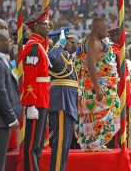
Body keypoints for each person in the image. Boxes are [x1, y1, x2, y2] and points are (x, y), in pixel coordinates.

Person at [74, 18, 120, 151]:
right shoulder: (93, 42)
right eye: (105, 28)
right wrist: (98, 88)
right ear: (96, 28)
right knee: (97, 115)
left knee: (94, 116)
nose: (107, 31)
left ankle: (93, 144)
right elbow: (92, 67)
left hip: (100, 86)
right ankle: (94, 144)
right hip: (95, 88)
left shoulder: (98, 40)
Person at [19, 10, 51, 171]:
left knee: (37, 144)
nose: (49, 28)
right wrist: (30, 103)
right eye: (46, 25)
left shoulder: (39, 45)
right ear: (37, 27)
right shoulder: (33, 47)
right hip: (36, 98)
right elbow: (30, 76)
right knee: (32, 144)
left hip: (42, 97)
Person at [47, 27, 78, 171]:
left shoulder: (67, 57)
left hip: (68, 101)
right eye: (69, 40)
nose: (72, 43)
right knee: (60, 143)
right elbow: (51, 58)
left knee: (65, 143)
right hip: (61, 101)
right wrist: (58, 44)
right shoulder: (55, 54)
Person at [0, 29, 21, 171]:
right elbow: (0, 91)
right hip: (0, 121)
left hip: (1, 121)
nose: (10, 44)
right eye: (8, 41)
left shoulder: (2, 60)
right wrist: (11, 118)